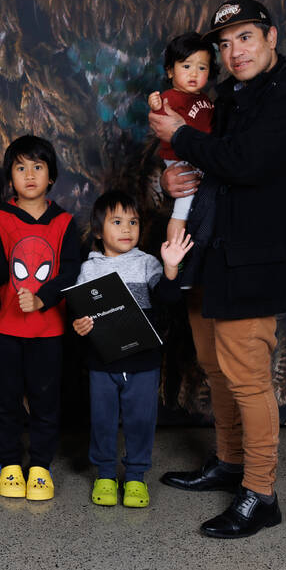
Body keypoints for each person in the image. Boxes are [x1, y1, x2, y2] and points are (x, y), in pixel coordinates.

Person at [149, 0, 286, 538]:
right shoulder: (228, 96)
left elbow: (245, 163)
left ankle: (260, 494)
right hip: (210, 248)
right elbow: (199, 164)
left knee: (247, 376)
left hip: (255, 258)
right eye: (224, 44)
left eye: (244, 37)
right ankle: (229, 461)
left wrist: (179, 136)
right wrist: (167, 180)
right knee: (214, 364)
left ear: (272, 36)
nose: (233, 52)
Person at [0, 134, 80, 501]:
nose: (29, 175)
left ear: (51, 176)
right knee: (6, 400)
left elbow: (70, 273)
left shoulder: (65, 222)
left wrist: (42, 299)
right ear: (10, 178)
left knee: (46, 401)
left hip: (48, 331)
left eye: (37, 167)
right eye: (20, 168)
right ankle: (10, 463)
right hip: (7, 329)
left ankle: (41, 466)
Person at [71, 191, 193, 508]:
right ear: (98, 231)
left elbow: (169, 298)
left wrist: (171, 268)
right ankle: (105, 475)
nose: (127, 228)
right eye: (117, 222)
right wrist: (79, 326)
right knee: (103, 420)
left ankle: (136, 477)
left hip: (143, 362)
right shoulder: (89, 270)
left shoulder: (147, 264)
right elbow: (82, 317)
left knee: (140, 420)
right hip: (102, 363)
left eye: (133, 222)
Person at [146, 32, 216, 250]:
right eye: (186, 66)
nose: (194, 73)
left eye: (202, 68)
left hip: (202, 158)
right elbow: (160, 120)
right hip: (180, 160)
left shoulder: (205, 99)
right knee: (184, 207)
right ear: (170, 71)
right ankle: (173, 256)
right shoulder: (171, 98)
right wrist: (156, 104)